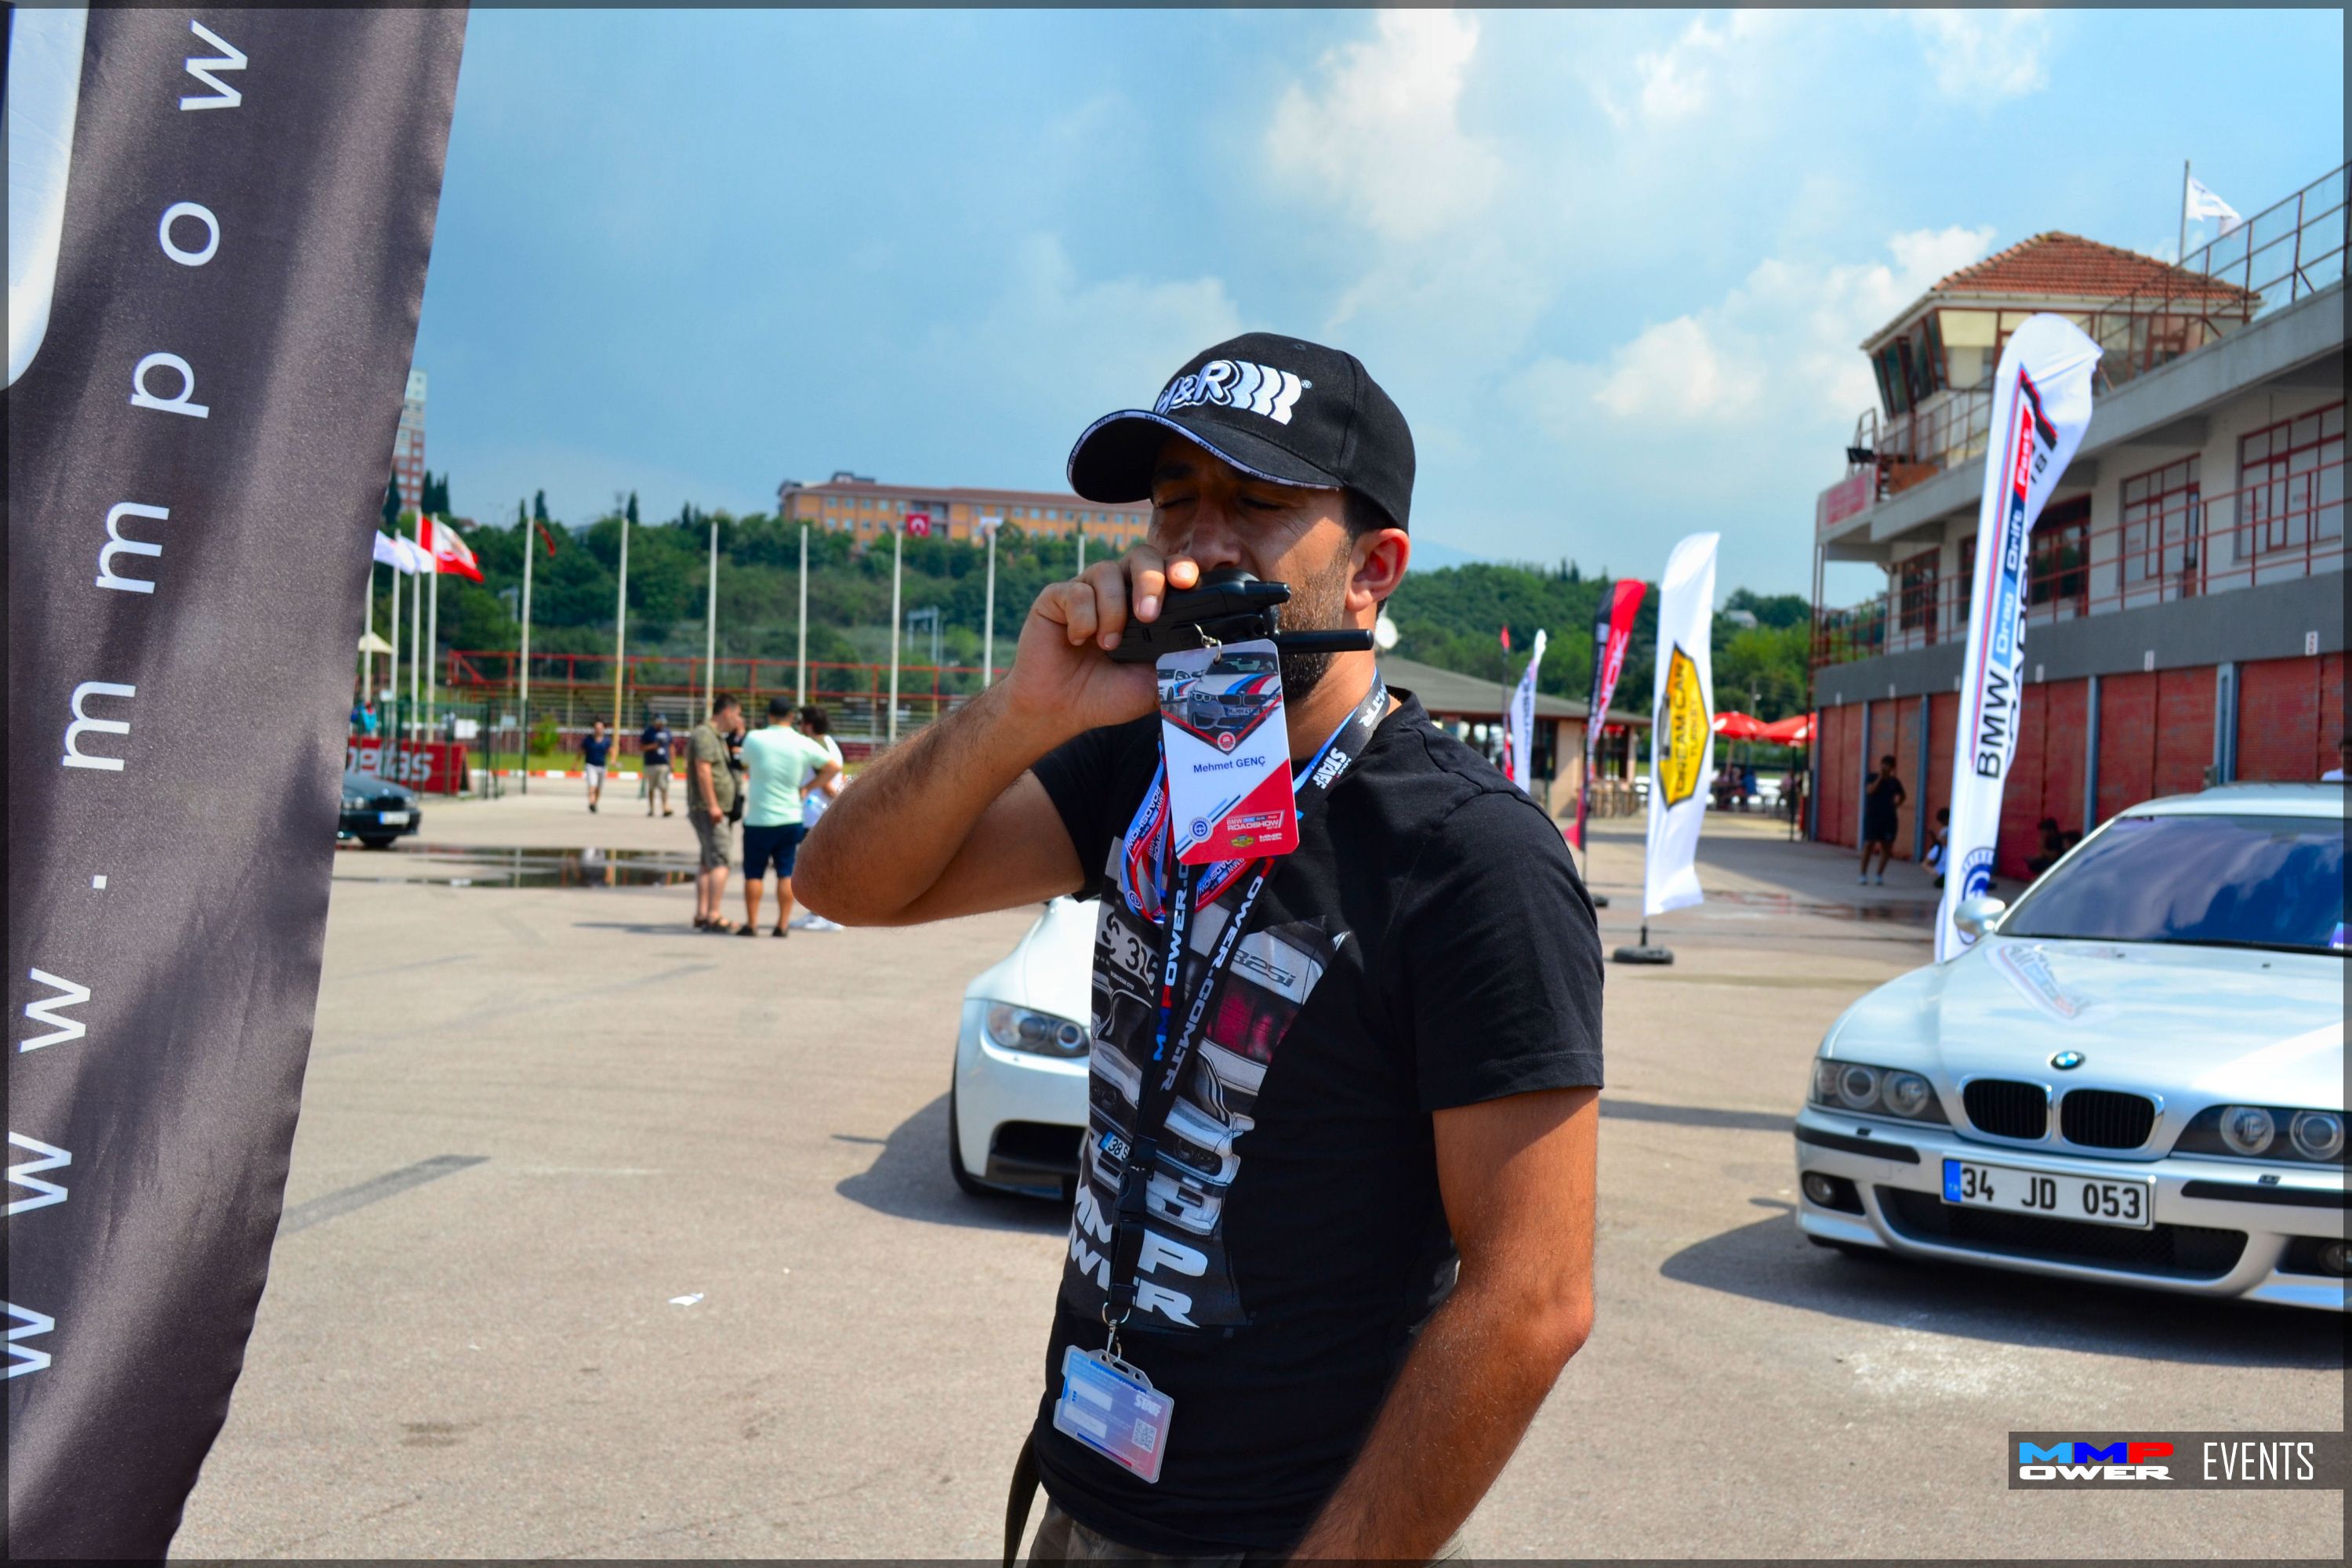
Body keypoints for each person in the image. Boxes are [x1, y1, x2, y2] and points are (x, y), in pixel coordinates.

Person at [797, 333, 1601, 1566]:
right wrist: (1025, 710)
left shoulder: (1470, 854)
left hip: (1291, 1534)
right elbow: (843, 883)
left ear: (1374, 570)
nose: (1201, 544)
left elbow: (1531, 1300)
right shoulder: (1143, 761)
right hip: (1082, 1490)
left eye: (1258, 505)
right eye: (1176, 503)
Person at [738, 699, 840, 937]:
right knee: (785, 873)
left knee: (753, 874)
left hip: (758, 818)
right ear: (792, 717)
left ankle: (752, 924)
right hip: (790, 816)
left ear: (770, 715)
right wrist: (808, 787)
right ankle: (782, 925)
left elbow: (743, 763)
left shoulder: (755, 738)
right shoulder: (802, 742)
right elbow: (833, 767)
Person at [686, 695, 743, 931]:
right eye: (737, 714)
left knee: (707, 862)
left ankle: (702, 913)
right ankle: (714, 915)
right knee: (721, 861)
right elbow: (703, 770)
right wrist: (713, 805)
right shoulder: (705, 735)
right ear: (727, 712)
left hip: (711, 808)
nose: (739, 719)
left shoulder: (715, 736)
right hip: (710, 809)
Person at [792, 706, 849, 932]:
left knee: (817, 867)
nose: (799, 727)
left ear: (808, 725)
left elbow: (826, 778)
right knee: (815, 866)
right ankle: (815, 913)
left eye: (801, 722)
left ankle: (830, 916)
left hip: (817, 812)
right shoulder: (829, 742)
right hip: (820, 812)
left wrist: (807, 788)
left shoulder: (815, 745)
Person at [1860, 753, 1904, 884]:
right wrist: (1880, 777)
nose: (1885, 767)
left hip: (1888, 819)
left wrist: (1896, 805)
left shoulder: (1895, 782)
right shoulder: (1872, 777)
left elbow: (1903, 796)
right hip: (1873, 817)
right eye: (1884, 764)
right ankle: (1863, 874)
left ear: (1893, 768)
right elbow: (1870, 791)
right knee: (1869, 844)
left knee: (1886, 846)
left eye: (1888, 765)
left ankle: (1879, 875)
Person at [641, 715, 674, 817]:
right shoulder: (648, 732)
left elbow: (671, 746)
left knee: (664, 786)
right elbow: (642, 747)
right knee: (651, 787)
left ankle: (665, 807)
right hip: (651, 763)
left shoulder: (667, 732)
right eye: (659, 723)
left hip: (664, 763)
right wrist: (652, 746)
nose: (661, 725)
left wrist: (673, 762)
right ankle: (651, 809)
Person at [581, 720, 613, 814]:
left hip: (602, 766)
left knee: (599, 788)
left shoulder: (607, 740)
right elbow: (581, 752)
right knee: (592, 785)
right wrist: (575, 763)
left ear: (603, 729)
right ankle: (591, 802)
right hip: (590, 765)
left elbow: (612, 751)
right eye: (597, 728)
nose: (598, 730)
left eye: (600, 728)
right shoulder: (588, 740)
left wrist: (613, 759)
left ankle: (595, 803)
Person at [1922, 806, 1951, 887]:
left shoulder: (1945, 830)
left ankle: (1938, 875)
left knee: (1925, 864)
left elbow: (1939, 841)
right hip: (1942, 868)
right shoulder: (1950, 828)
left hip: (1943, 857)